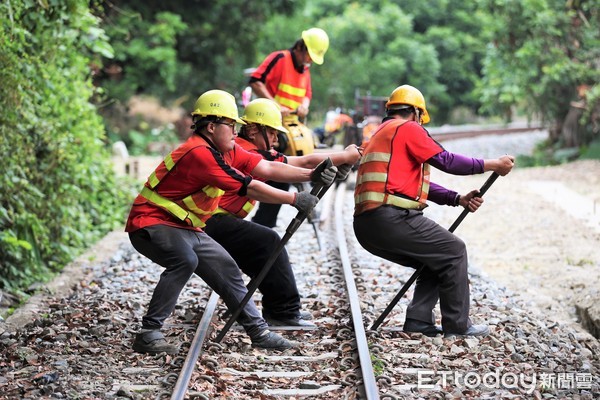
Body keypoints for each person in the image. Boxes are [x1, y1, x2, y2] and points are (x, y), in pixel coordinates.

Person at [125, 90, 338, 354]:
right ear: (212, 127)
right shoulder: (199, 154)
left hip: (183, 224)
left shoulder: (226, 149)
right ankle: (149, 333)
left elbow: (267, 168)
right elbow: (250, 187)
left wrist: (311, 174)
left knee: (226, 267)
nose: (236, 131)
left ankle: (259, 332)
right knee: (185, 259)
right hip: (151, 221)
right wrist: (294, 199)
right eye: (231, 125)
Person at [353, 85, 515, 338]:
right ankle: (458, 326)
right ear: (416, 113)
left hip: (366, 225)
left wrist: (457, 198)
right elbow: (446, 160)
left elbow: (413, 185)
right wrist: (492, 164)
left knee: (435, 257)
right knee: (454, 251)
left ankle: (418, 320)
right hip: (389, 217)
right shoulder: (407, 128)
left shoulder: (379, 134)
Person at [204, 98, 361, 327]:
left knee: (263, 247)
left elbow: (300, 162)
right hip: (211, 219)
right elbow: (305, 162)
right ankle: (283, 311)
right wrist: (345, 157)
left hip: (216, 219)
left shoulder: (254, 150)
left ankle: (277, 307)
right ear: (254, 129)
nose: (278, 139)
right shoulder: (248, 152)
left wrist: (338, 160)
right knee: (268, 241)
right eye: (273, 132)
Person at [248, 27, 330, 228]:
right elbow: (255, 81)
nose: (309, 61)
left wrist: (305, 106)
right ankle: (263, 221)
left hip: (292, 127)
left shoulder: (305, 70)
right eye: (309, 56)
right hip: (271, 126)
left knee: (287, 169)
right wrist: (274, 105)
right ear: (301, 47)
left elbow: (307, 94)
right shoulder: (279, 59)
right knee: (278, 172)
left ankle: (265, 221)